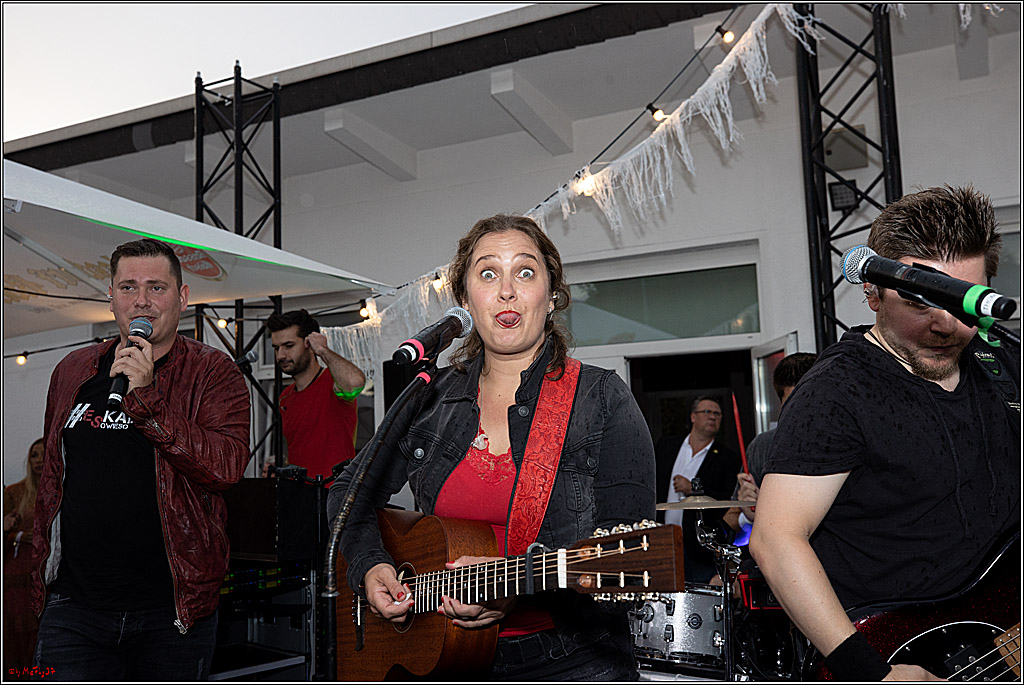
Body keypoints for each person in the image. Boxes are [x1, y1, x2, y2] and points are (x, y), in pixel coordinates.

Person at [328, 214, 656, 680]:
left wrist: (514, 585)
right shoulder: (429, 398)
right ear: (465, 301)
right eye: (487, 273)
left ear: (551, 296)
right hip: (446, 657)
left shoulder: (600, 398)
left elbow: (631, 553)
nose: (506, 290)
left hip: (575, 661)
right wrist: (369, 565)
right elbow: (348, 492)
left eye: (525, 272)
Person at [750, 185, 1020, 681]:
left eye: (964, 301)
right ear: (872, 291)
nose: (946, 323)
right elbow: (775, 538)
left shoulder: (1004, 364)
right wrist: (869, 672)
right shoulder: (836, 391)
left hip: (1001, 636)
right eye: (924, 301)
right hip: (894, 650)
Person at [31, 238, 252, 680]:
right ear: (110, 296)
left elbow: (225, 468)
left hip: (171, 611)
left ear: (183, 298)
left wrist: (147, 398)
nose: (143, 301)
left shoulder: (214, 372)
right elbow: (53, 477)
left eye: (157, 287)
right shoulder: (73, 371)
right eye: (129, 287)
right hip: (74, 607)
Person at [723, 352, 818, 532]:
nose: (801, 411)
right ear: (780, 404)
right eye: (792, 403)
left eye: (808, 400)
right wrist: (748, 516)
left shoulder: (849, 441)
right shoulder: (763, 446)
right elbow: (731, 522)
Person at [265, 309, 365, 479]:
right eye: (276, 348)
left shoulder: (333, 382)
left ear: (308, 343)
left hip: (333, 493)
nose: (281, 355)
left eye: (289, 346)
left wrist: (323, 350)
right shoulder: (285, 396)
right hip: (299, 495)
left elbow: (355, 382)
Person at [657, 396, 741, 582]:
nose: (712, 417)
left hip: (698, 550)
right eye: (707, 412)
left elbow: (729, 500)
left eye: (717, 414)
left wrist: (695, 491)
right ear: (693, 417)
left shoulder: (727, 458)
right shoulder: (667, 446)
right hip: (663, 542)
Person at [4, 438, 44, 672]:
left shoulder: (61, 490)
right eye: (34, 455)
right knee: (15, 632)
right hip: (17, 572)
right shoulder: (14, 492)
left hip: (45, 571)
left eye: (42, 454)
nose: (39, 461)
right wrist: (18, 535)